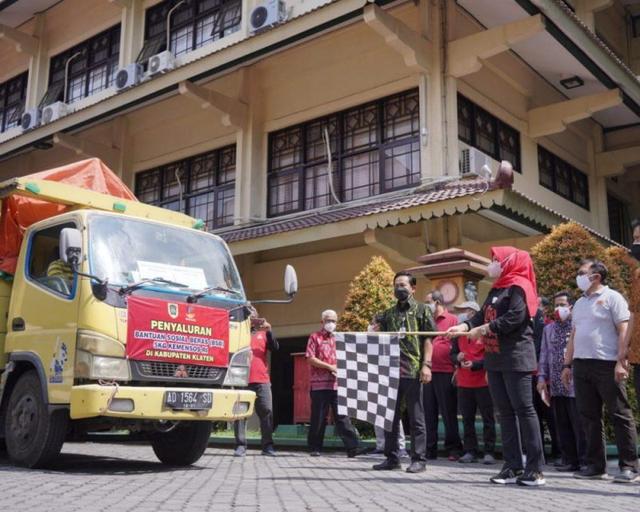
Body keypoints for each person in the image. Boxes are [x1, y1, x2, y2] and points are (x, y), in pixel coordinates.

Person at [447, 247, 546, 487]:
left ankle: (534, 469)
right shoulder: (497, 287)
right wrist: (464, 326)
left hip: (516, 357)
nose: (491, 264)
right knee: (505, 413)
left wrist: (484, 330)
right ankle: (512, 465)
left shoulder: (520, 286)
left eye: (495, 260)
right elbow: (482, 315)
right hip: (495, 358)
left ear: (510, 262)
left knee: (524, 410)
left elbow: (515, 317)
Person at [561, 259, 638, 482]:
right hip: (582, 364)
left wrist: (621, 361)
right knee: (588, 417)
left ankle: (629, 467)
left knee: (620, 414)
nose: (579, 276)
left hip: (606, 363)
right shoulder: (580, 303)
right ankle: (595, 466)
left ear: (596, 276)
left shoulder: (613, 298)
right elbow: (574, 335)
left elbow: (624, 329)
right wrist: (567, 364)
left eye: (582, 272)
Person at [372, 271, 434, 473]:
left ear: (413, 288)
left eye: (403, 285)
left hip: (414, 369)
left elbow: (428, 339)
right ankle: (392, 458)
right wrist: (374, 326)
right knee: (389, 416)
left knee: (416, 417)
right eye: (396, 285)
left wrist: (427, 365)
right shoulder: (388, 313)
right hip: (391, 371)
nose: (399, 288)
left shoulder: (422, 310)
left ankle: (419, 460)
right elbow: (379, 339)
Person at [537, 291, 586, 472]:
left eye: (563, 304)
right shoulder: (548, 329)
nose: (559, 309)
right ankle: (569, 460)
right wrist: (541, 378)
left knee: (579, 424)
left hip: (575, 384)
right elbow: (543, 355)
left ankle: (584, 461)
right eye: (556, 305)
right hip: (556, 386)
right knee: (562, 424)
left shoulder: (577, 326)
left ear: (571, 307)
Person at [306, 309, 361, 457]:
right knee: (319, 417)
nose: (331, 323)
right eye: (328, 320)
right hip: (319, 385)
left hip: (338, 384)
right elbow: (310, 358)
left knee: (342, 416)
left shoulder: (340, 338)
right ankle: (315, 447)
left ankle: (352, 448)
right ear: (322, 322)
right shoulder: (314, 337)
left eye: (334, 321)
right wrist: (329, 367)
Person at [450, 300, 497, 465]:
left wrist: (476, 365)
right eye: (461, 311)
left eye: (466, 311)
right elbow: (452, 354)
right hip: (464, 383)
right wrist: (457, 358)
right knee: (467, 419)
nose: (463, 314)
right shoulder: (458, 335)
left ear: (475, 313)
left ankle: (489, 451)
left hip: (483, 382)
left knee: (487, 418)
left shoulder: (484, 332)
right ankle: (470, 450)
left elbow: (490, 355)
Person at [234, 307, 279, 457]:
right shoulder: (238, 334)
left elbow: (275, 348)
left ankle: (268, 446)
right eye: (249, 316)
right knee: (240, 414)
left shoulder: (264, 334)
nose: (252, 318)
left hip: (262, 381)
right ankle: (240, 446)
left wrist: (270, 330)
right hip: (242, 380)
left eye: (254, 316)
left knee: (267, 412)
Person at [423, 290, 462, 460]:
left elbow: (458, 345)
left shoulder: (453, 320)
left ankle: (453, 449)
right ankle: (429, 449)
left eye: (428, 302)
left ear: (437, 302)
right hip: (427, 372)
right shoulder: (425, 320)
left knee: (448, 413)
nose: (426, 305)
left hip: (445, 372)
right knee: (428, 413)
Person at [368, 316, 408, 457]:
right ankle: (381, 445)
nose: (372, 326)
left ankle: (401, 447)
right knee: (377, 413)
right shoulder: (371, 340)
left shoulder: (392, 338)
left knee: (392, 413)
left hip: (391, 379)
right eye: (372, 324)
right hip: (375, 379)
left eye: (375, 324)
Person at [532, 296, 561, 464]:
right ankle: (539, 453)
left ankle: (558, 453)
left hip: (548, 379)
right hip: (530, 376)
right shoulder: (531, 323)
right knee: (534, 416)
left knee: (552, 417)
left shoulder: (549, 325)